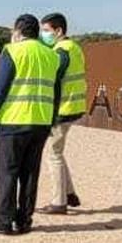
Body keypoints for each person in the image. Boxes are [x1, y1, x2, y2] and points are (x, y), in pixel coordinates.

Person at [0, 15, 67, 236]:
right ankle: (24, 220)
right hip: (41, 122)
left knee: (6, 172)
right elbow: (56, 93)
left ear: (18, 32)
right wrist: (52, 118)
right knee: (29, 173)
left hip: (13, 120)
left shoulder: (13, 51)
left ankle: (4, 221)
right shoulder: (51, 56)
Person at [38, 12, 86, 215]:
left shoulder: (60, 51)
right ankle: (70, 194)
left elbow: (54, 82)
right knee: (58, 151)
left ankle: (59, 202)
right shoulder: (74, 48)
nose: (43, 35)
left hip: (62, 109)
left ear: (59, 30)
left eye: (47, 30)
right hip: (74, 106)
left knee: (53, 155)